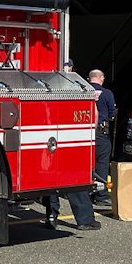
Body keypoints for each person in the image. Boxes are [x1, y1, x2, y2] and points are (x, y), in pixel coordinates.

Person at [45, 60, 101, 230]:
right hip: (69, 135)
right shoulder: (76, 86)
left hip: (48, 136)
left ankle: (51, 216)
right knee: (74, 177)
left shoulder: (44, 83)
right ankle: (85, 219)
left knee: (49, 179)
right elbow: (94, 114)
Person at [87, 69, 116, 206]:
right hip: (100, 132)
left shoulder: (82, 91)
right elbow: (112, 113)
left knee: (84, 162)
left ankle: (83, 191)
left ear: (89, 79)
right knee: (102, 163)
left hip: (83, 132)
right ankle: (101, 195)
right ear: (100, 78)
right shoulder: (107, 93)